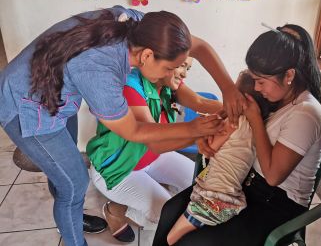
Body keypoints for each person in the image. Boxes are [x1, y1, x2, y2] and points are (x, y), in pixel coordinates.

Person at [0, 5, 245, 246]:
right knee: (74, 183)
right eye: (170, 68)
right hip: (27, 103)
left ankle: (70, 209)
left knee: (63, 175)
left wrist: (229, 89)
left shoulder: (138, 26)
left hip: (55, 91)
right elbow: (134, 131)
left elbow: (199, 47)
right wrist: (194, 130)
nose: (174, 74)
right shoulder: (101, 71)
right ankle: (73, 231)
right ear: (147, 55)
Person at [153, 24, 321, 246]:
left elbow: (273, 176)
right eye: (255, 79)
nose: (257, 86)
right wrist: (209, 136)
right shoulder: (277, 97)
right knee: (170, 211)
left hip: (275, 204)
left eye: (261, 81)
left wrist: (255, 119)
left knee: (194, 241)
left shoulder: (306, 113)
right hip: (247, 187)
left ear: (289, 75)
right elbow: (239, 109)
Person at [88, 56, 223, 242]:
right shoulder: (130, 88)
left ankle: (131, 201)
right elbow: (155, 142)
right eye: (181, 66)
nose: (184, 73)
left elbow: (200, 102)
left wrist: (236, 110)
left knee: (204, 184)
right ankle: (117, 209)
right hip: (119, 169)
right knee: (170, 217)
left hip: (153, 157)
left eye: (188, 68)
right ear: (162, 61)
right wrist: (198, 135)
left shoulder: (167, 82)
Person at [166, 71, 271, 245]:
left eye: (232, 92)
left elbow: (209, 150)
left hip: (212, 199)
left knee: (171, 239)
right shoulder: (258, 127)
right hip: (230, 199)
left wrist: (208, 129)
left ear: (241, 100)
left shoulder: (231, 123)